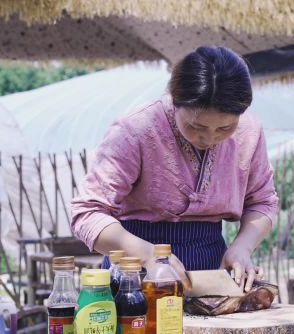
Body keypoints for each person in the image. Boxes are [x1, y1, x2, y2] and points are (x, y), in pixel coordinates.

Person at [71, 46, 278, 291]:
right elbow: (87, 212)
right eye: (196, 126)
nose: (209, 138)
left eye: (225, 128)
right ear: (174, 100)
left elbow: (262, 202)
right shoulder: (136, 129)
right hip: (134, 275)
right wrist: (148, 255)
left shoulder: (249, 131)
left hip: (211, 271)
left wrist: (243, 246)